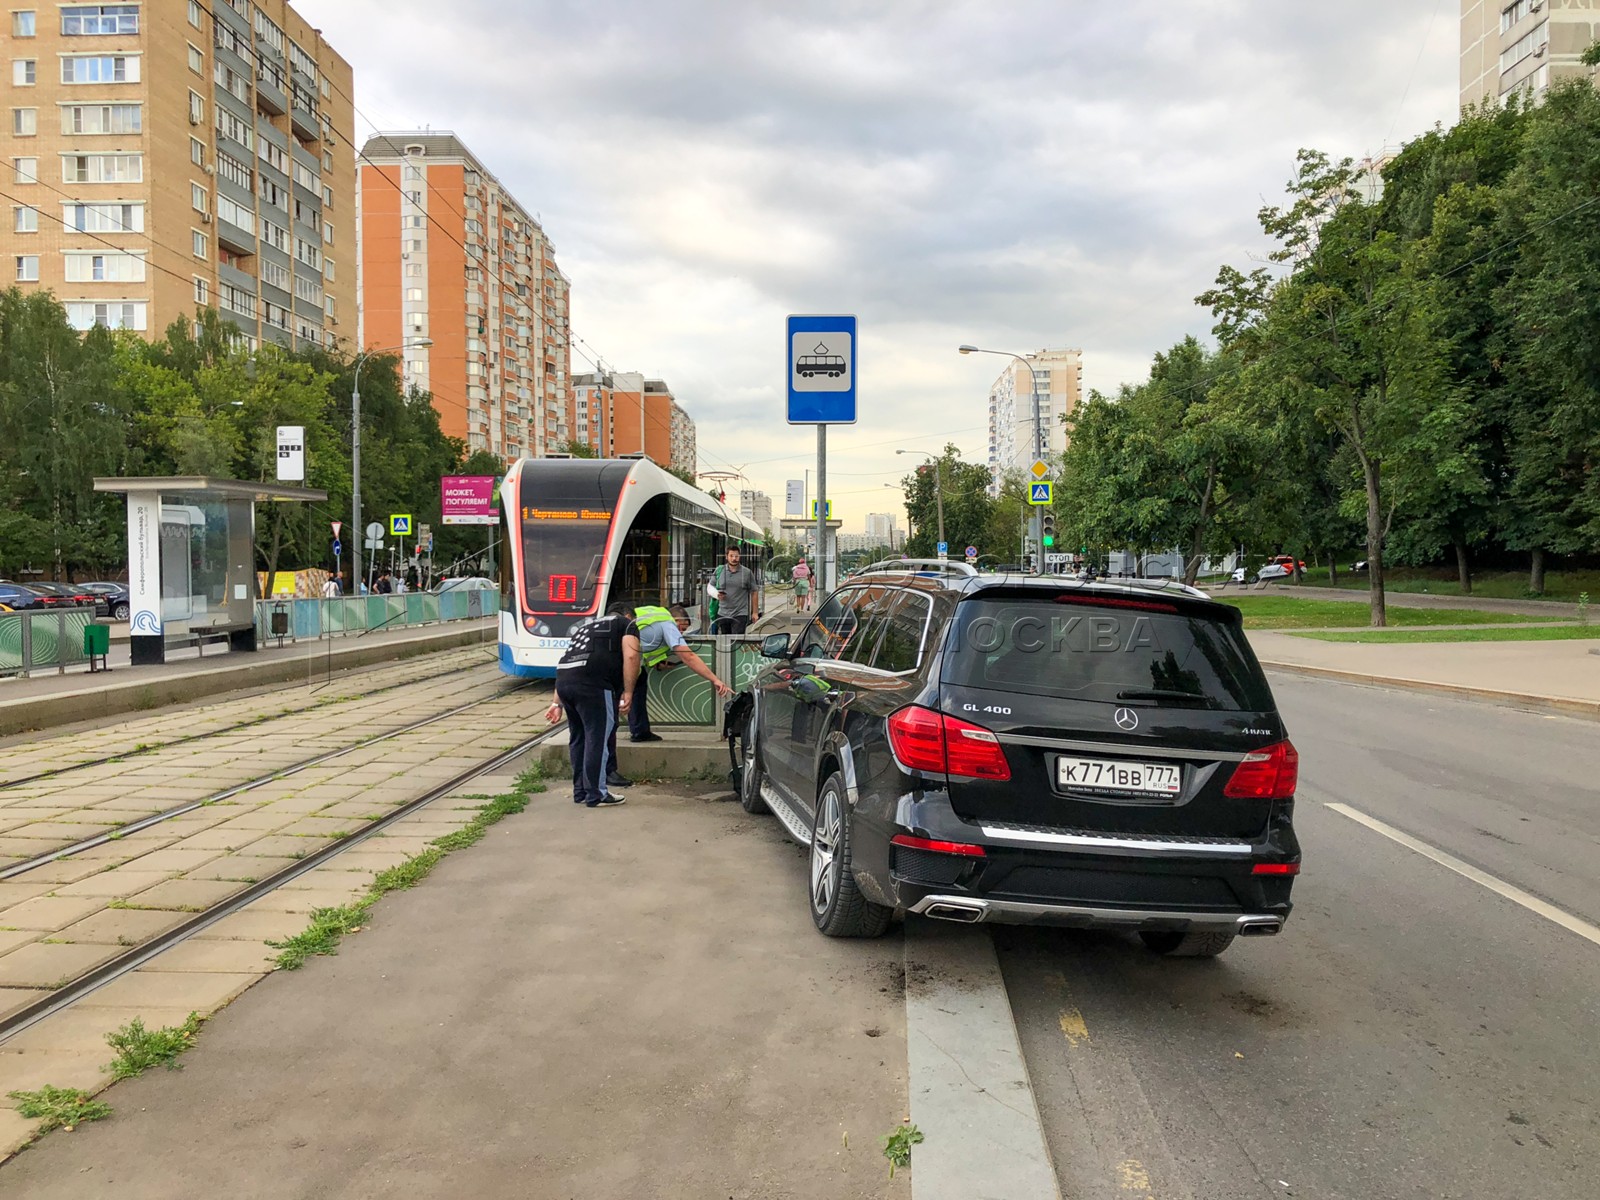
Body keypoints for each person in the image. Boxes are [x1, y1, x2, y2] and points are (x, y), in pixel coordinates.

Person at [542, 610, 641, 809]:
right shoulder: (627, 624)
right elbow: (631, 656)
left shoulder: (586, 627)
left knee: (578, 738)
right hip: (594, 685)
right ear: (627, 615)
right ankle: (596, 794)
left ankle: (581, 791)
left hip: (565, 682)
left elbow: (569, 661)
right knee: (598, 737)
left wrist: (556, 703)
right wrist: (629, 691)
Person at [625, 603, 734, 744]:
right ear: (676, 620)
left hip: (621, 653)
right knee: (632, 688)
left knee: (637, 682)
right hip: (624, 658)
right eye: (681, 629)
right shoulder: (667, 623)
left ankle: (639, 730)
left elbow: (645, 642)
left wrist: (657, 663)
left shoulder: (652, 614)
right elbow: (688, 656)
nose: (680, 634)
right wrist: (715, 680)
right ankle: (638, 731)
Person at [711, 546, 761, 635]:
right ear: (726, 557)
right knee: (726, 642)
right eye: (731, 556)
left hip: (740, 614)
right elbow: (710, 587)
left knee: (737, 641)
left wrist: (755, 612)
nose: (734, 558)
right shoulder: (719, 570)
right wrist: (716, 594)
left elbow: (754, 591)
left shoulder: (747, 573)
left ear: (740, 556)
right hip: (723, 613)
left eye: (736, 556)